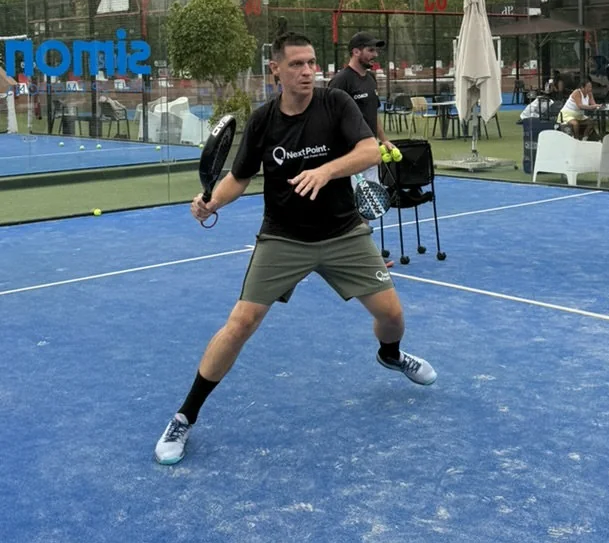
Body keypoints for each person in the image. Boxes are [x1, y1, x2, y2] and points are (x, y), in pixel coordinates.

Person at [154, 32, 436, 466]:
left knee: (393, 317)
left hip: (344, 234)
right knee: (240, 323)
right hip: (284, 238)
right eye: (297, 64)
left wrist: (325, 171)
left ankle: (391, 355)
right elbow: (239, 177)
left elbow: (368, 151)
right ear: (276, 70)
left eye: (311, 63)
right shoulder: (262, 121)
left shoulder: (335, 103)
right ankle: (184, 417)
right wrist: (211, 202)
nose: (307, 72)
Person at [327, 32, 394, 180]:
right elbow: (329, 119)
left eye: (376, 51)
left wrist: (384, 140)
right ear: (356, 52)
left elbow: (373, 113)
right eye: (370, 50)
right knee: (353, 195)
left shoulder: (371, 78)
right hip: (349, 155)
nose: (375, 55)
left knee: (373, 194)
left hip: (370, 152)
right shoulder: (341, 81)